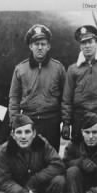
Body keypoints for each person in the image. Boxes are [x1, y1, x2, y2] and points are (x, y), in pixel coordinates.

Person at [8, 24, 66, 152]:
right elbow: (14, 98)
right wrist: (14, 121)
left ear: (48, 46)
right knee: (31, 158)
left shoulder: (58, 68)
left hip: (52, 122)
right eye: (36, 44)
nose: (40, 47)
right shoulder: (20, 69)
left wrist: (66, 122)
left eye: (43, 44)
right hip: (29, 121)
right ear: (31, 46)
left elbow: (65, 98)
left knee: (51, 157)